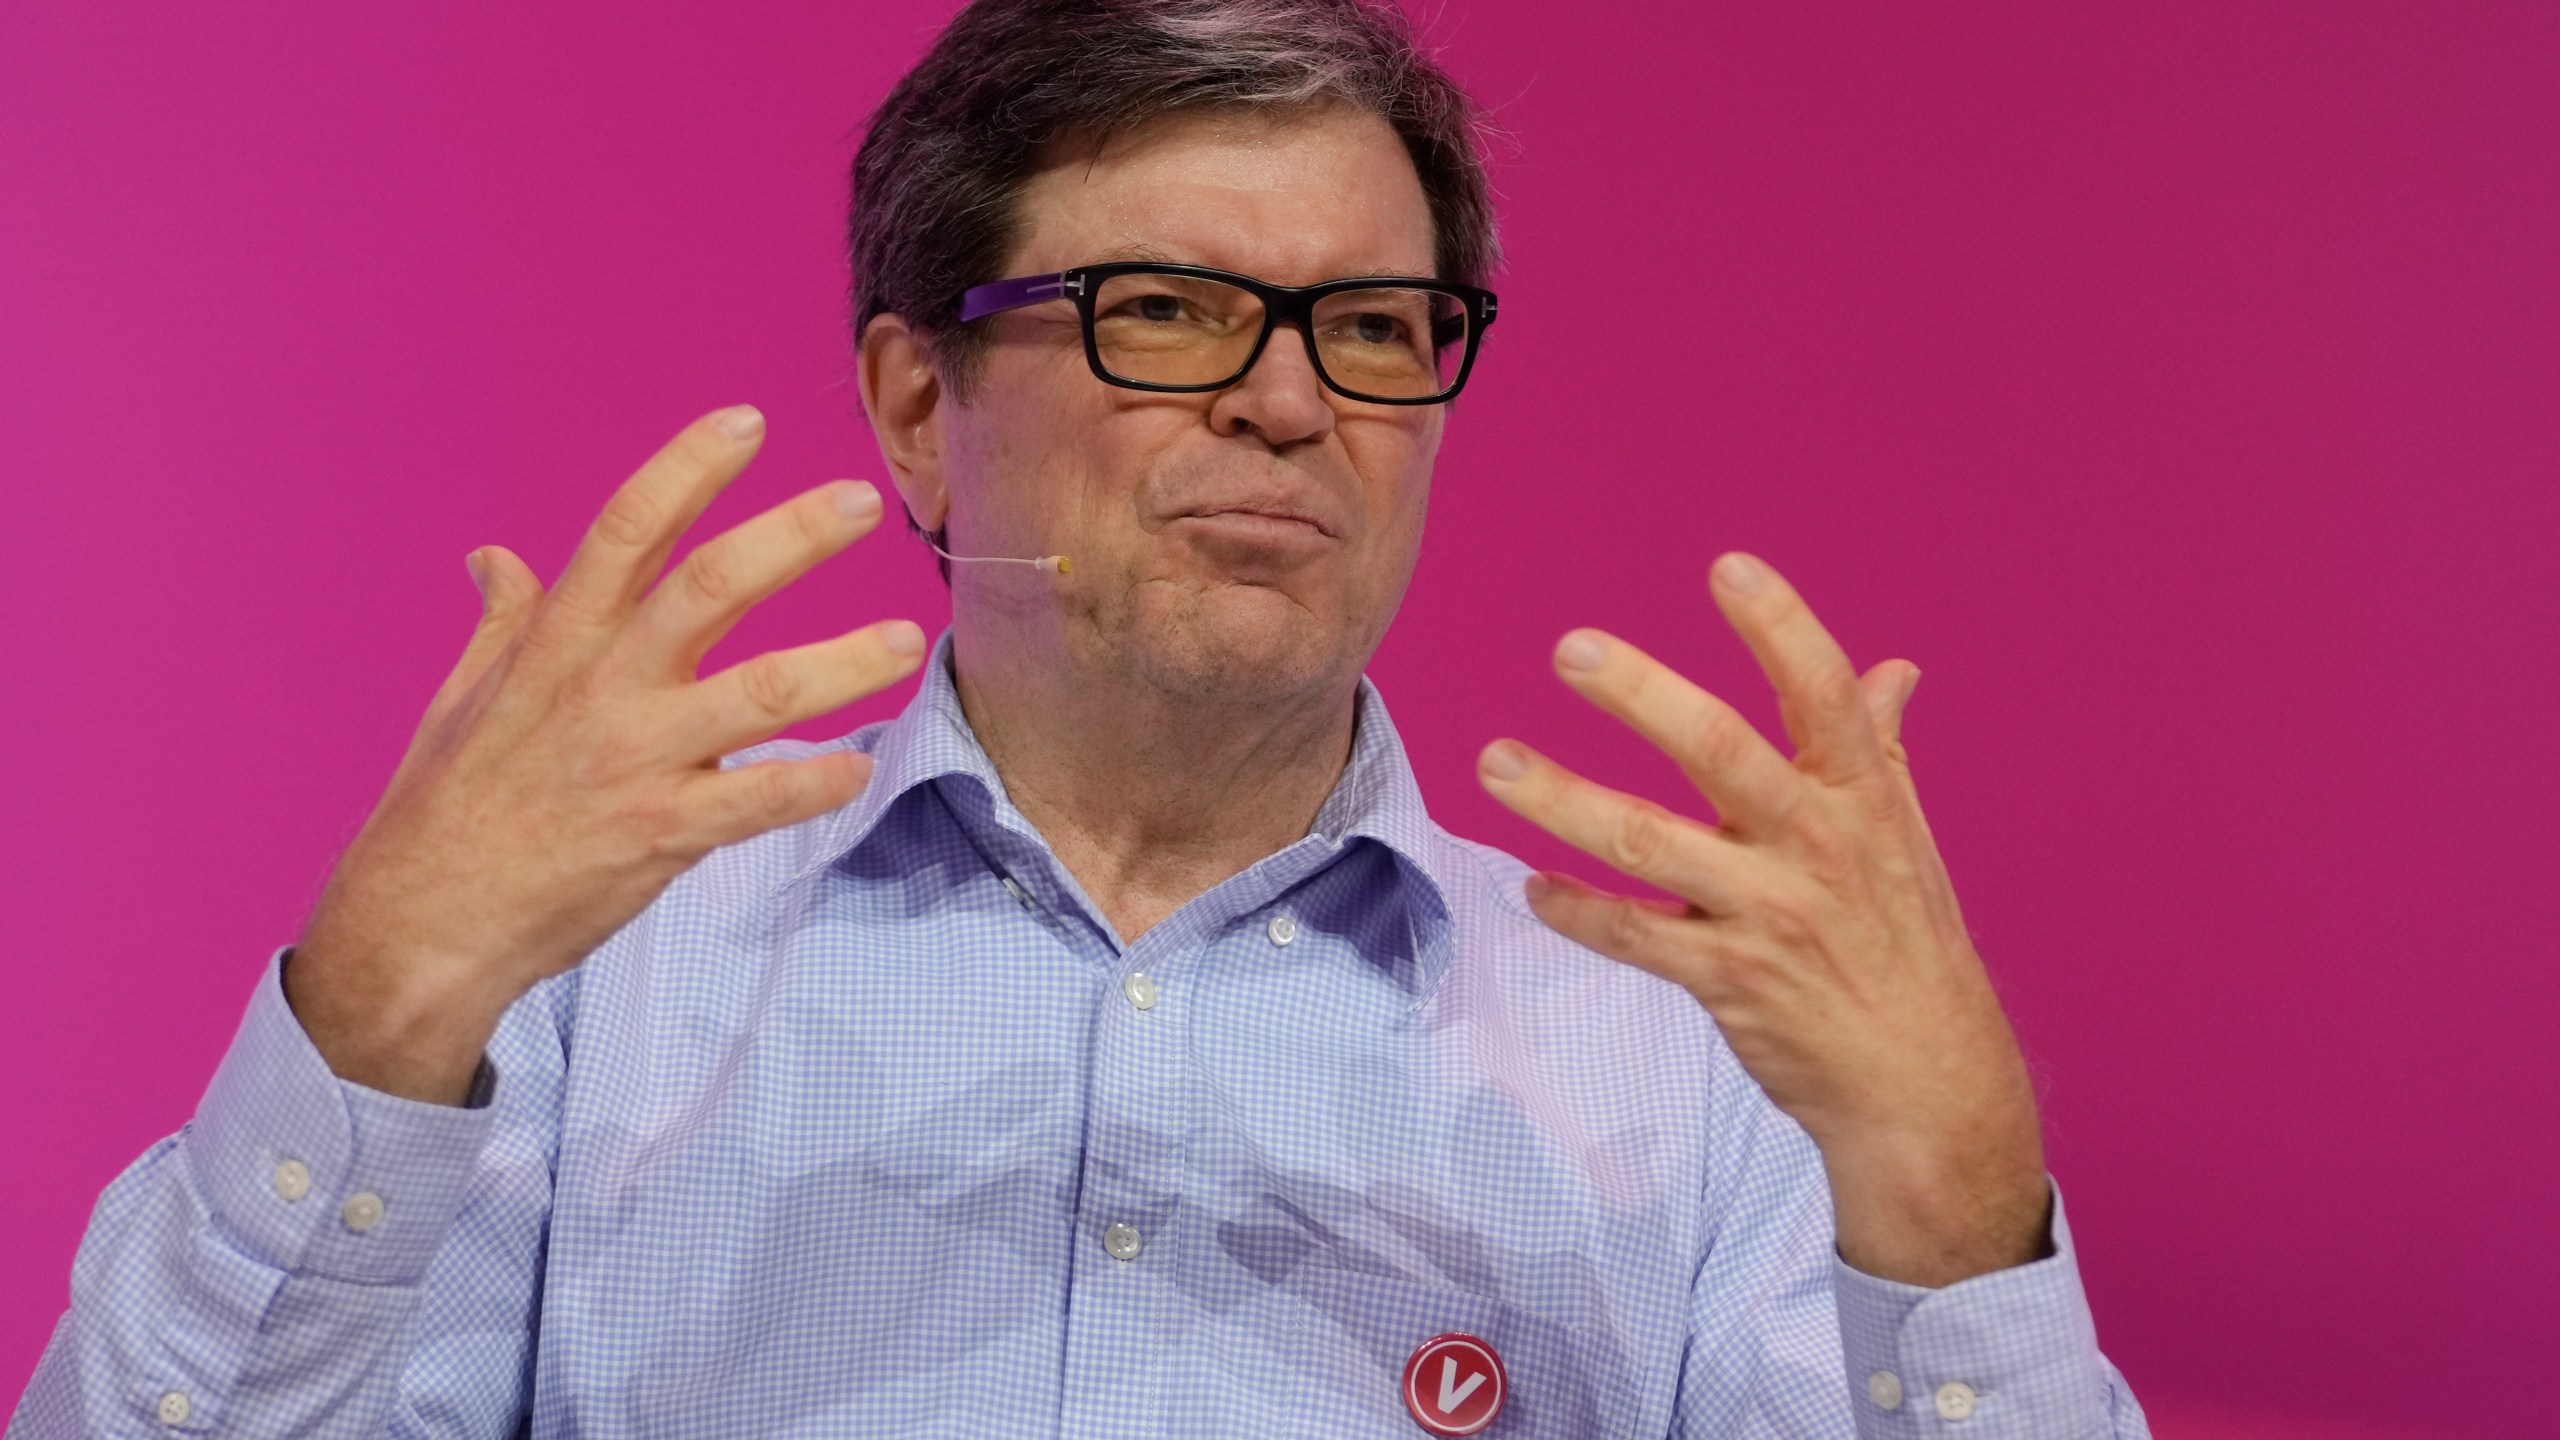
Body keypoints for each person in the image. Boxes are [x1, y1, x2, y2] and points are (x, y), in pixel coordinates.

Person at [11, 0, 2150, 1435]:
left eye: (1372, 325)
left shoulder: (1689, 1053)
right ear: (916, 405)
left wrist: (1958, 1215)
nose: (1291, 400)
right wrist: (371, 1019)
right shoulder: (583, 982)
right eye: (1170, 310)